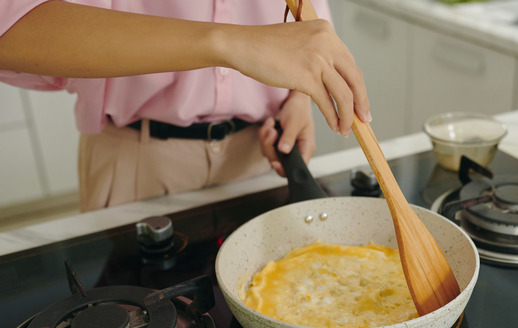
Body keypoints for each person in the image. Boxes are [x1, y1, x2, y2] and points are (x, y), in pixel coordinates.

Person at [0, 0, 371, 211]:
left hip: (261, 153)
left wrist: (298, 97)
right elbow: (9, 28)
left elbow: (305, 14)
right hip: (138, 162)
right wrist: (229, 43)